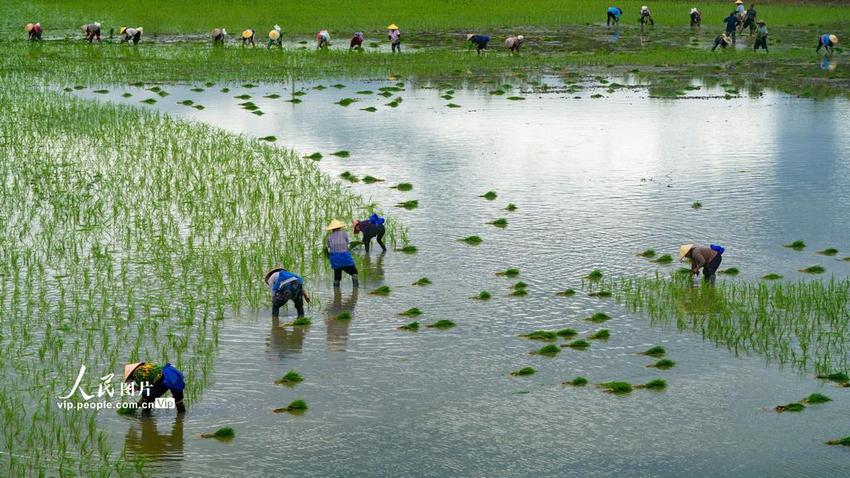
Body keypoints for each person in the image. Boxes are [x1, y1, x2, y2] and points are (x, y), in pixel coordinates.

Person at [326, 219, 358, 287]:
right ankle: (356, 290)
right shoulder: (344, 234)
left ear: (332, 229)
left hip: (335, 259)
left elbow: (329, 247)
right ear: (340, 227)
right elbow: (347, 244)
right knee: (354, 273)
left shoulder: (329, 237)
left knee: (337, 277)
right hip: (345, 258)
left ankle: (336, 292)